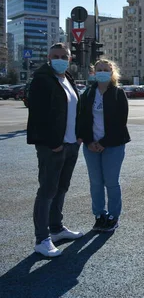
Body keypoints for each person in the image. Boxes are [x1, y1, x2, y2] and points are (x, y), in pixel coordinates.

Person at [27, 43, 83, 257]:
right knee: (47, 191)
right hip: (53, 146)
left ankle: (56, 228)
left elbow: (73, 110)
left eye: (64, 56)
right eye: (56, 56)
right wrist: (53, 143)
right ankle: (42, 239)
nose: (60, 59)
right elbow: (38, 116)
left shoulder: (67, 78)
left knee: (61, 188)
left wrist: (77, 137)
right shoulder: (42, 79)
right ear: (49, 57)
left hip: (70, 144)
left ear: (69, 59)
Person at [77, 59, 130, 233]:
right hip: (91, 146)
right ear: (94, 72)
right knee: (96, 183)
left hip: (113, 145)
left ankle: (113, 216)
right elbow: (82, 119)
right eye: (98, 69)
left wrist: (103, 143)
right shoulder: (88, 93)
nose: (102, 72)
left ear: (112, 72)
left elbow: (120, 123)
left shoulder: (118, 93)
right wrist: (88, 140)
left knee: (111, 182)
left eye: (105, 69)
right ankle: (99, 215)